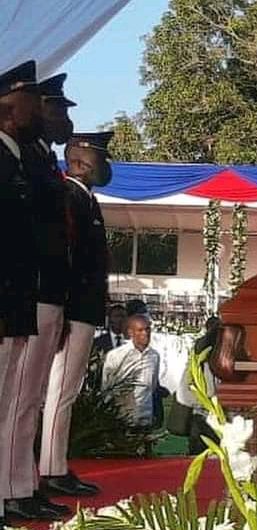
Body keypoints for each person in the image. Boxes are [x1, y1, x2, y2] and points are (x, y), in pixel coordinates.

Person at [1, 73, 76, 522]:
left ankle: (19, 486)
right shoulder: (16, 160)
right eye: (40, 104)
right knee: (14, 401)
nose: (46, 114)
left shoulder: (34, 160)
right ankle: (13, 489)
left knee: (21, 400)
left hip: (30, 297)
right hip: (22, 297)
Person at [39, 131, 114, 498]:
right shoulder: (71, 197)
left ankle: (55, 465)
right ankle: (51, 469)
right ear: (81, 160)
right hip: (74, 310)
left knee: (64, 391)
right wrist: (67, 312)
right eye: (101, 158)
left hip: (83, 310)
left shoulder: (86, 199)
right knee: (60, 393)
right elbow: (66, 259)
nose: (107, 165)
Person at [0, 60, 43, 529]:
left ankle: (9, 494)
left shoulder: (14, 159)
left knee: (11, 401)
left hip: (17, 302)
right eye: (29, 99)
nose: (37, 109)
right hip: (5, 301)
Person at [102, 315, 161, 428]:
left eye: (147, 329)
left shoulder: (154, 356)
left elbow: (152, 386)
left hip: (146, 417)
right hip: (121, 418)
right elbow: (106, 387)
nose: (145, 333)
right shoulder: (116, 356)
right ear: (130, 332)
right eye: (140, 330)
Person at [177, 316, 221, 455]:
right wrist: (206, 402)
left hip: (225, 425)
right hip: (202, 422)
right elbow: (183, 395)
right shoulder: (198, 362)